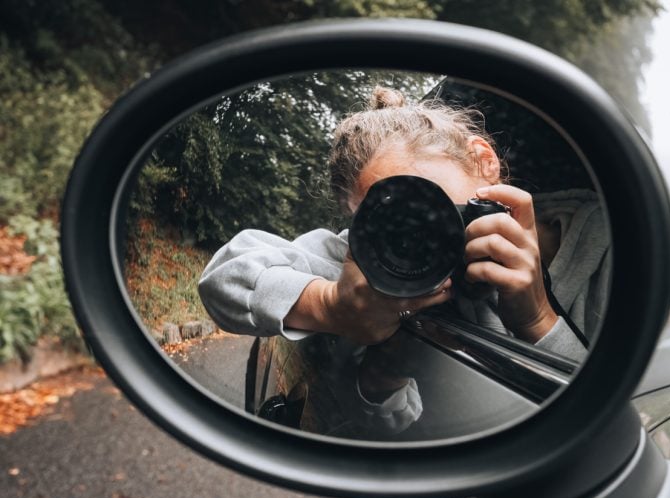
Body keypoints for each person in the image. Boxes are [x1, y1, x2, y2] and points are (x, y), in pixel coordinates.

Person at [197, 86, 610, 433]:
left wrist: (537, 317)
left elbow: (619, 419)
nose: (414, 235)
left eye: (426, 202)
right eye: (388, 220)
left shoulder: (612, 249)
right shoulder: (374, 261)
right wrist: (331, 305)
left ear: (485, 162)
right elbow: (225, 277)